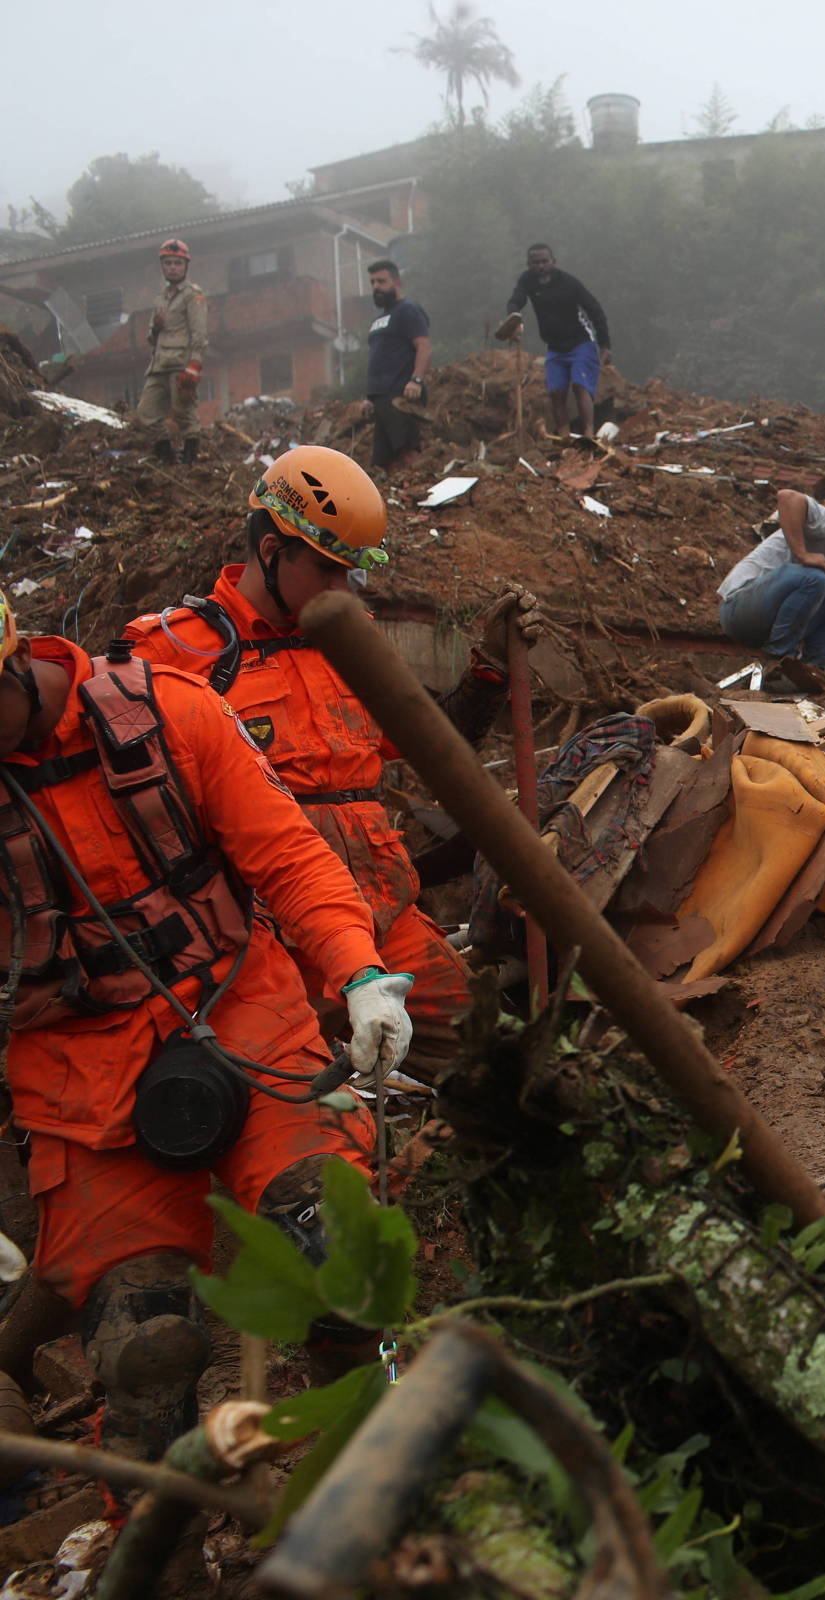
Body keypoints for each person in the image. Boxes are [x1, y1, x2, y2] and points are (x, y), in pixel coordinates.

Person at [0, 587, 412, 1459]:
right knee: (144, 1350)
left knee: (338, 1253)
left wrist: (362, 974)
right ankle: (156, 1554)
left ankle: (382, 1470)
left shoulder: (166, 712)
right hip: (79, 1082)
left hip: (240, 1009)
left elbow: (289, 854)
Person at [121, 446, 543, 1084]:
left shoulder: (352, 640)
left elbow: (438, 744)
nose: (340, 589)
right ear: (271, 549)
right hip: (264, 945)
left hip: (385, 919)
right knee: (277, 1106)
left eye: (350, 573)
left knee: (487, 1064)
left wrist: (487, 671)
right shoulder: (173, 652)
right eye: (326, 569)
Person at [718, 488, 825, 692]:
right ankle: (780, 659)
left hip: (770, 623)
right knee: (814, 577)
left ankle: (814, 669)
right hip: (738, 608)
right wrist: (802, 554)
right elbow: (788, 497)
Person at [496, 244, 611, 440]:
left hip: (580, 343)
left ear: (553, 262)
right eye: (536, 262)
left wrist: (605, 344)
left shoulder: (569, 283)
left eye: (544, 261)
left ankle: (589, 435)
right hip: (555, 348)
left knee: (580, 386)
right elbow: (516, 300)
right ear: (529, 264)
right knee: (556, 393)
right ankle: (564, 438)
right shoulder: (527, 280)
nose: (541, 266)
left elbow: (595, 311)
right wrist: (513, 319)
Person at [136, 239, 208, 467]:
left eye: (177, 263)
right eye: (168, 263)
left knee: (184, 412)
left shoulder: (192, 295)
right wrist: (155, 327)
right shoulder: (161, 298)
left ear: (185, 266)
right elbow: (151, 337)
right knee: (146, 412)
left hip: (180, 363)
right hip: (158, 365)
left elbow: (199, 333)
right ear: (162, 266)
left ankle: (190, 463)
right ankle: (167, 458)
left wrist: (194, 366)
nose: (172, 267)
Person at [364, 259, 431, 472]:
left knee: (408, 451)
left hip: (402, 396)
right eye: (372, 282)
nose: (376, 287)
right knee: (385, 461)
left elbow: (424, 347)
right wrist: (369, 397)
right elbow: (379, 358)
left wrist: (416, 380)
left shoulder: (408, 310)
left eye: (381, 281)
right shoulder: (379, 319)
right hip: (381, 400)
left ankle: (422, 493)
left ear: (396, 282)